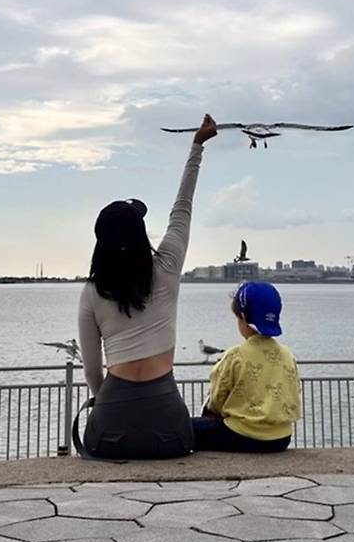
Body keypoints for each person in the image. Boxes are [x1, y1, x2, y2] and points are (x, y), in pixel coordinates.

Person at [77, 113, 217, 459]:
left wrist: (107, 402)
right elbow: (182, 209)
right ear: (141, 235)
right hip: (169, 432)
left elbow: (92, 371)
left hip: (109, 432)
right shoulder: (167, 267)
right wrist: (196, 147)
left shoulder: (92, 292)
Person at [191, 282, 301, 452]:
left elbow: (216, 400)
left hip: (242, 436)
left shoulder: (235, 355)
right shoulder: (287, 355)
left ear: (242, 317)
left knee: (185, 428)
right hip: (281, 438)